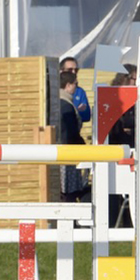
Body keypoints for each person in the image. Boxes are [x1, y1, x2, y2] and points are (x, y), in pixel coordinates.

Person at [58, 71, 89, 202]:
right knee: (69, 191)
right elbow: (71, 132)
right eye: (76, 84)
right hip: (68, 153)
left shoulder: (58, 102)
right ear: (69, 85)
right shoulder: (66, 105)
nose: (77, 87)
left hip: (62, 151)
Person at [59, 56, 91, 124]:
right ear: (61, 71)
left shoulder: (80, 92)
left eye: (76, 70)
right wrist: (77, 110)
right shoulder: (53, 90)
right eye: (70, 70)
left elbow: (86, 116)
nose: (73, 72)